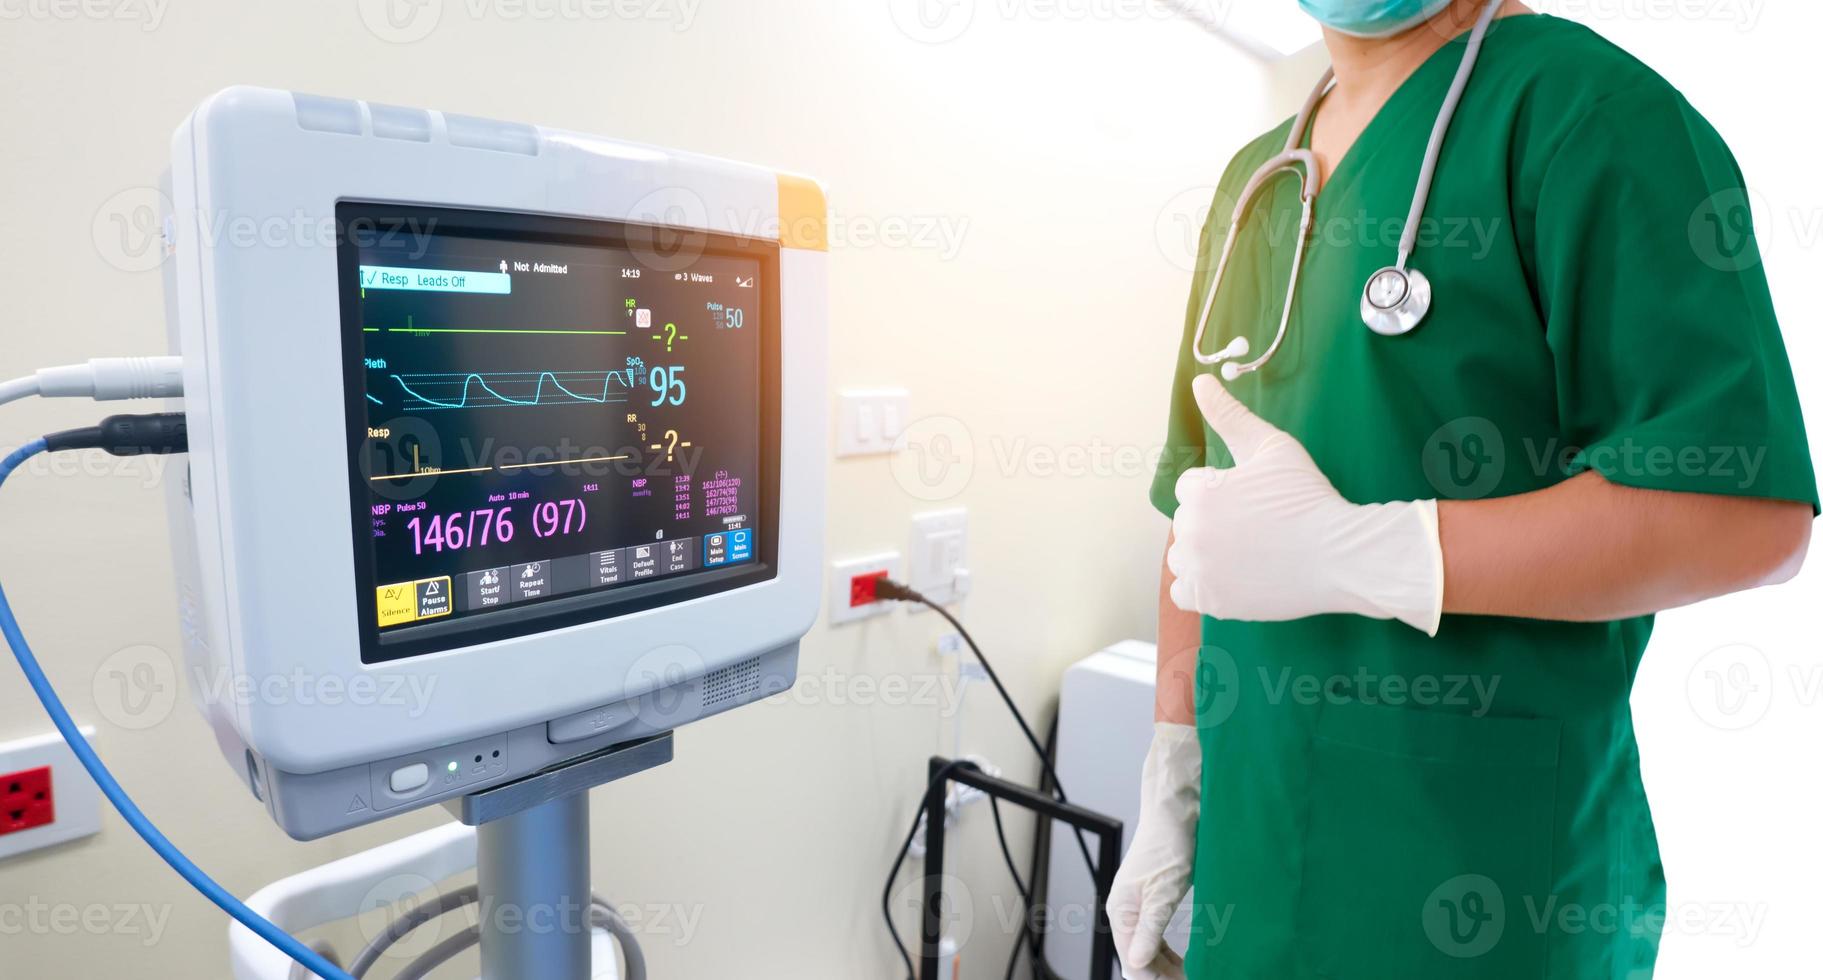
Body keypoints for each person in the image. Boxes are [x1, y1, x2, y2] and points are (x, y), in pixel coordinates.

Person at [1108, 1, 1817, 978]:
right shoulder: (1250, 186)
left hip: (1481, 881)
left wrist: (1368, 552)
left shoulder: (1588, 114)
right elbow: (1198, 518)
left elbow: (1740, 513)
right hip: (1258, 865)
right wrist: (1172, 763)